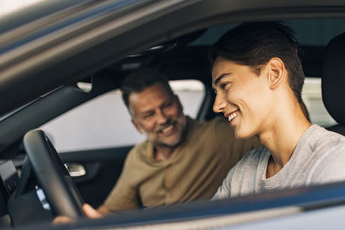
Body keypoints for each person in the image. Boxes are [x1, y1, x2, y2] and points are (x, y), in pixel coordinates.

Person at [209, 22, 345, 200]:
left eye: (225, 85)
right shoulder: (242, 173)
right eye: (216, 93)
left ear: (274, 74)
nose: (217, 105)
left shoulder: (344, 163)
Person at [92, 68, 261, 214]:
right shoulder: (137, 157)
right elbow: (112, 210)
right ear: (137, 125)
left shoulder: (217, 135)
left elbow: (278, 144)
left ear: (178, 103)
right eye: (149, 115)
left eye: (166, 106)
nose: (163, 118)